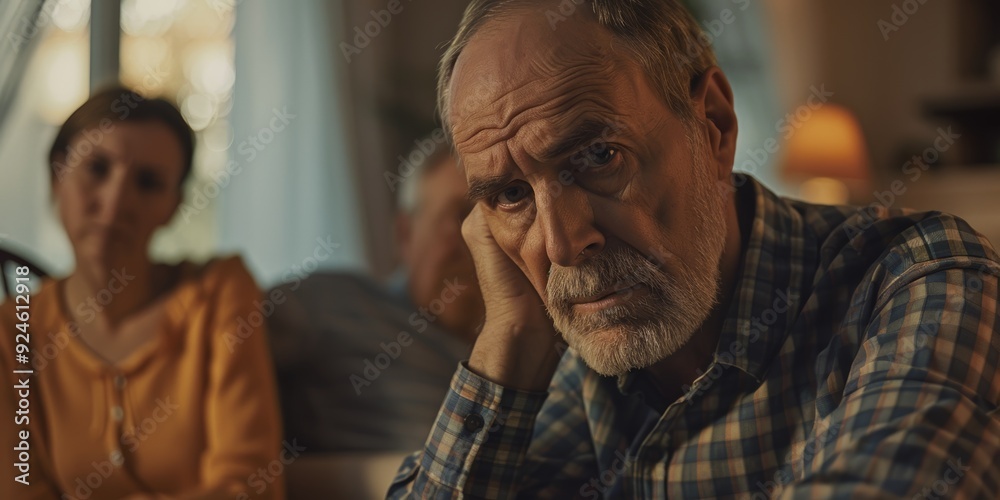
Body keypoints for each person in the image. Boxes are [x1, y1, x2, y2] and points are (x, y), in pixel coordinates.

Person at [388, 1, 1000, 498]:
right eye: (511, 194)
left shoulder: (921, 276)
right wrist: (511, 340)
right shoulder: (582, 371)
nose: (563, 243)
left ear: (712, 124)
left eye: (599, 157)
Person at [0, 86, 285, 499]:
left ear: (173, 206)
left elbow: (249, 484)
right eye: (97, 168)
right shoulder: (13, 334)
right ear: (56, 175)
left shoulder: (220, 294)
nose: (116, 203)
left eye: (148, 182)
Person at [267, 139, 484, 453]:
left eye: (494, 220)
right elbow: (211, 341)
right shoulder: (328, 304)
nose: (480, 244)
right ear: (405, 235)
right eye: (460, 217)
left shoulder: (543, 351)